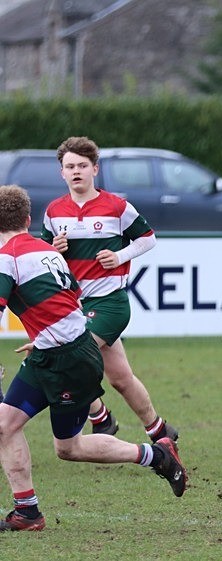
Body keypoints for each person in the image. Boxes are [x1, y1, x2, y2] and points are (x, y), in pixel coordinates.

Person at [0, 184, 186, 532]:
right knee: (5, 425)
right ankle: (27, 512)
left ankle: (156, 455)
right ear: (27, 219)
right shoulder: (46, 250)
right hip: (55, 353)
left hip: (68, 359)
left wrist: (54, 337)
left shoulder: (7, 258)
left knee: (69, 448)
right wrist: (48, 335)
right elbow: (72, 296)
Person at [41, 137, 177, 443]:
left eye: (82, 165)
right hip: (73, 306)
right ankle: (160, 431)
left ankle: (101, 417)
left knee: (68, 358)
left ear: (95, 169)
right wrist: (54, 249)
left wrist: (119, 256)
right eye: (70, 167)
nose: (76, 171)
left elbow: (148, 238)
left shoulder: (116, 207)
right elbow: (45, 257)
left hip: (108, 303)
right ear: (62, 173)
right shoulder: (54, 211)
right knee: (120, 378)